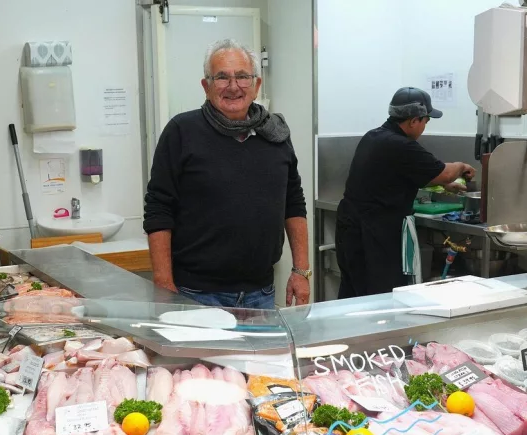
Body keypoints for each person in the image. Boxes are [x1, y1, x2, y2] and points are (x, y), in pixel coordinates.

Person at [143, 39, 310, 310]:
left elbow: (294, 203)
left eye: (243, 76)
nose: (233, 86)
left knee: (259, 355)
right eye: (222, 77)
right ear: (206, 86)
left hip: (261, 294)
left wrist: (301, 271)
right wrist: (163, 282)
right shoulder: (182, 131)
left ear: (256, 85)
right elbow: (159, 208)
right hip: (195, 294)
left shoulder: (276, 134)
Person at [335, 87, 476, 298]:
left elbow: (393, 176)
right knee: (379, 298)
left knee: (354, 295)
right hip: (374, 236)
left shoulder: (373, 137)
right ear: (413, 121)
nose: (424, 128)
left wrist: (444, 186)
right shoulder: (401, 145)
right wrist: (461, 165)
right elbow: (446, 173)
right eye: (425, 122)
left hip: (350, 230)